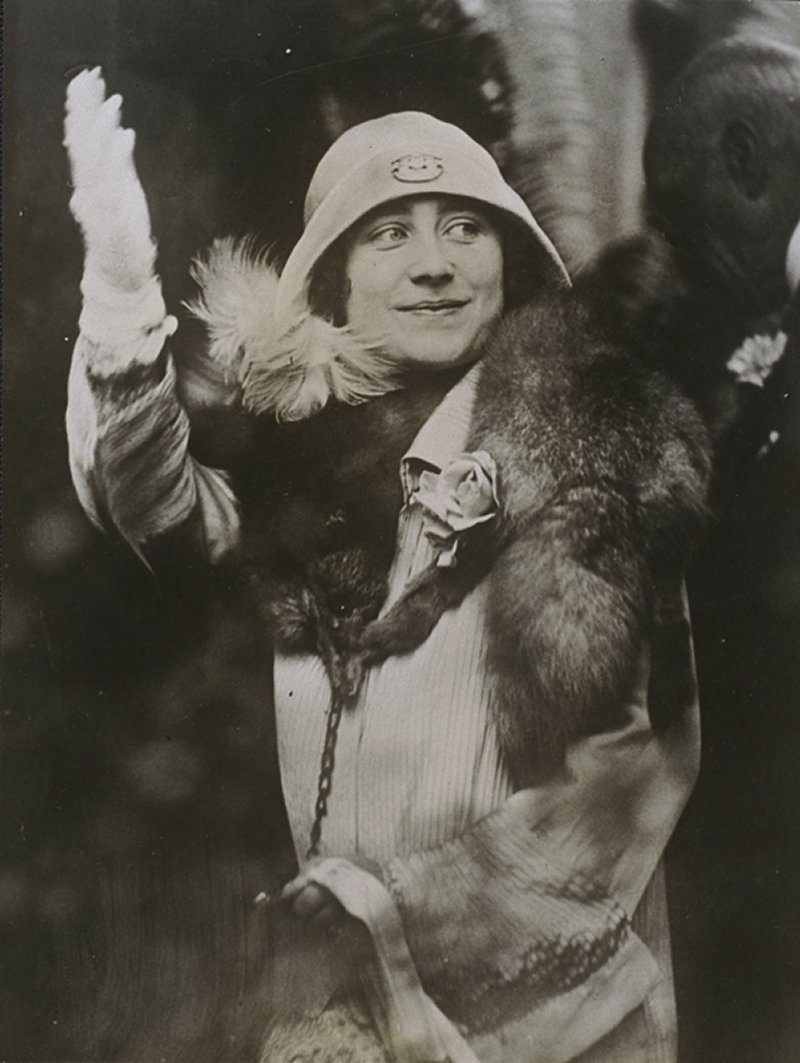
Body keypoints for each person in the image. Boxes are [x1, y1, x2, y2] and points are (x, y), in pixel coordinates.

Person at [64, 68, 706, 1063]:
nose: (434, 264)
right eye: (389, 232)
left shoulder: (585, 457)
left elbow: (622, 775)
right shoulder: (291, 473)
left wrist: (385, 929)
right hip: (341, 1021)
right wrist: (119, 307)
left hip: (545, 1025)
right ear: (334, 280)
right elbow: (154, 504)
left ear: (510, 262)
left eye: (463, 227)